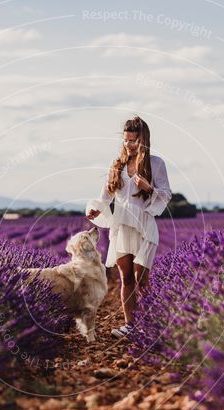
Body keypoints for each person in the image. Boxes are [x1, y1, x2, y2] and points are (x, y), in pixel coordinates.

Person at [85, 115, 173, 339]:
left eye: (133, 141)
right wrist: (95, 209)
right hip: (122, 225)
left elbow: (166, 195)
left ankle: (153, 326)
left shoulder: (156, 164)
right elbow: (105, 197)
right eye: (126, 140)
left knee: (142, 279)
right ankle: (131, 326)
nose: (129, 145)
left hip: (144, 225)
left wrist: (148, 188)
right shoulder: (118, 164)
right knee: (126, 279)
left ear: (143, 140)